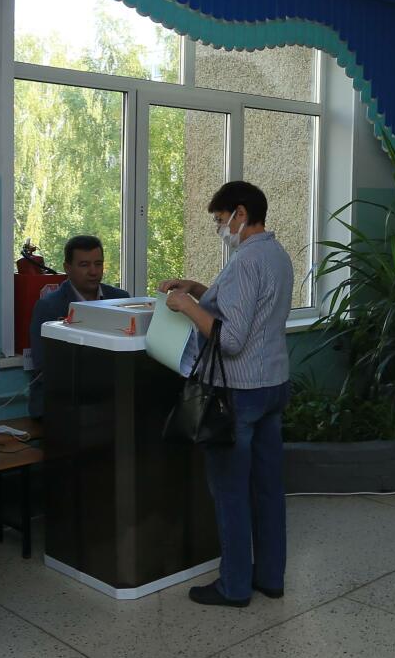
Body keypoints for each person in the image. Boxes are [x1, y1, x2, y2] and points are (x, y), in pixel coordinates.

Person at [160, 180, 294, 608]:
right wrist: (199, 290)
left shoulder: (244, 261)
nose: (221, 228)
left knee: (231, 491)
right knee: (268, 489)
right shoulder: (277, 255)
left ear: (240, 213)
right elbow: (250, 310)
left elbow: (231, 339)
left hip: (239, 392)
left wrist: (185, 305)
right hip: (273, 385)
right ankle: (270, 577)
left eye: (221, 220)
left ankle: (234, 586)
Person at [26, 234, 129, 417]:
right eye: (84, 265)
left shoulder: (121, 299)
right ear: (67, 268)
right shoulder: (49, 306)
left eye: (98, 264)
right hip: (62, 401)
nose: (93, 271)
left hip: (109, 397)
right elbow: (44, 367)